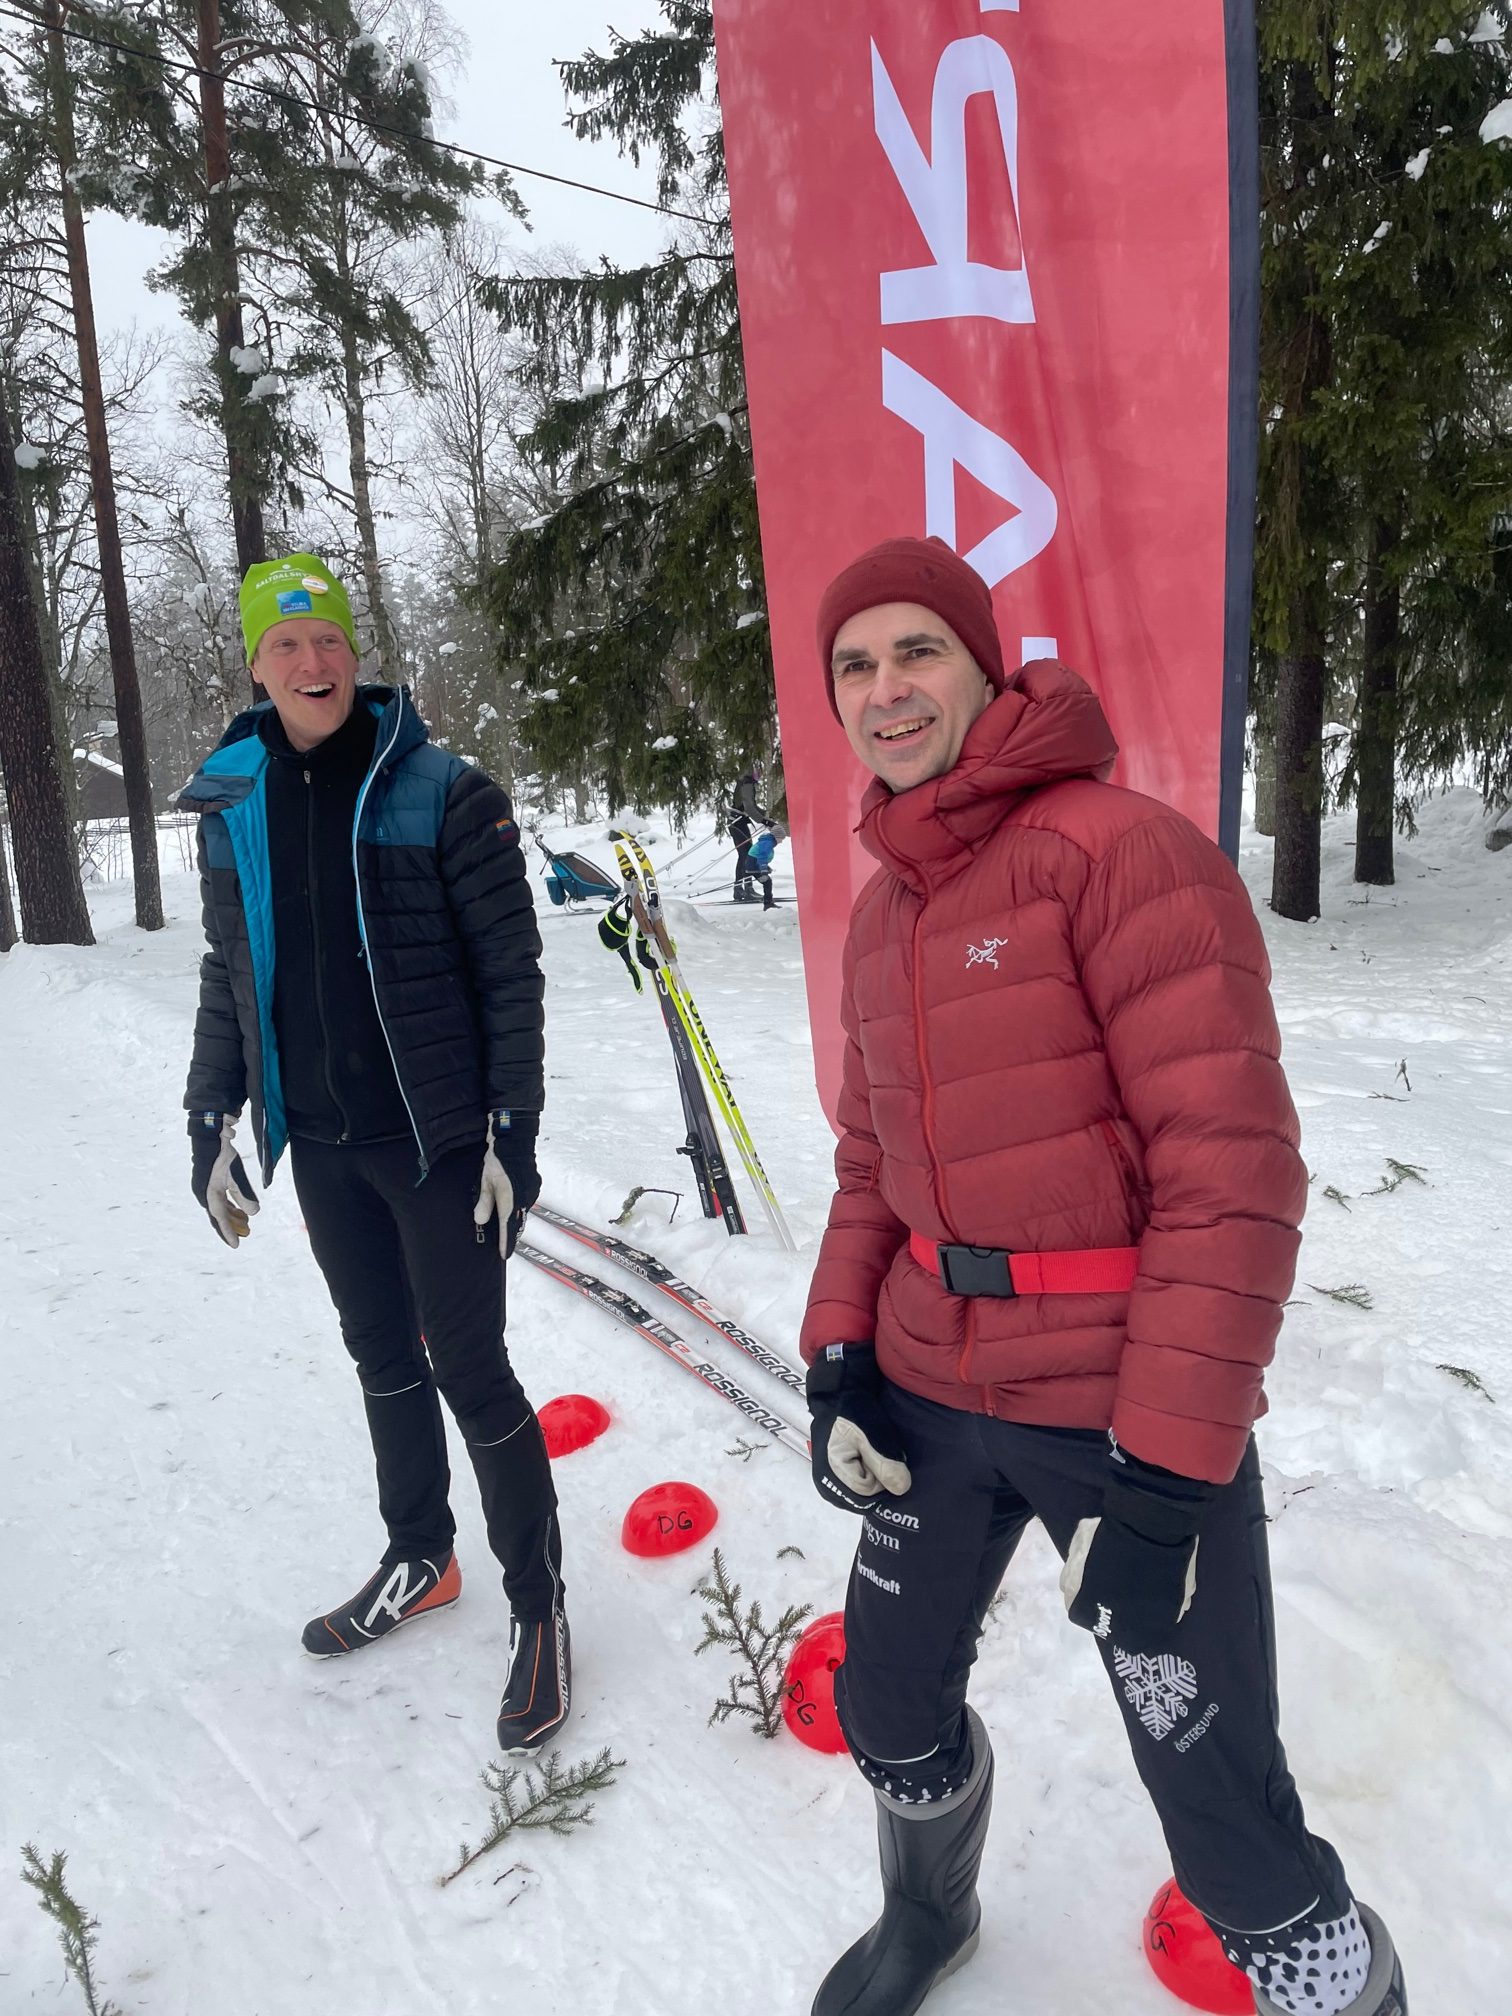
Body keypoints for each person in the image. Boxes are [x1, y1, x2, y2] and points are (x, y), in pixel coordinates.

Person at [799, 536, 1404, 2016]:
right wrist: (839, 1357)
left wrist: (1166, 1480)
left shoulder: (1119, 853)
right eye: (854, 666)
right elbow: (871, 1166)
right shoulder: (883, 915)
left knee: (1223, 1812)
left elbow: (1230, 1175)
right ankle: (927, 1916)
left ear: (984, 664)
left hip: (1117, 1407)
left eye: (917, 651)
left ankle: (1343, 1984)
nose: (886, 690)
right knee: (887, 1709)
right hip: (931, 1386)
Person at [180, 553, 569, 1757]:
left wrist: (513, 1132)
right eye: (287, 644)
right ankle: (421, 1556)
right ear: (255, 664)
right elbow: (228, 970)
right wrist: (211, 1114)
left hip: (434, 1142)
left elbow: (510, 975)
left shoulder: (443, 792)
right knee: (380, 1357)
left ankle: (539, 1607)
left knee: (471, 1367)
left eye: (330, 640)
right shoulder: (236, 801)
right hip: (323, 1145)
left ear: (355, 652)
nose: (314, 662)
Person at [727, 759, 774, 907]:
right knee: (746, 855)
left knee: (745, 855)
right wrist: (765, 820)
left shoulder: (745, 782)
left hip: (738, 821)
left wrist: (766, 815)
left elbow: (750, 806)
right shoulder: (747, 783)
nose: (759, 775)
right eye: (758, 772)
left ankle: (741, 889)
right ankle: (745, 890)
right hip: (737, 822)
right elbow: (749, 807)